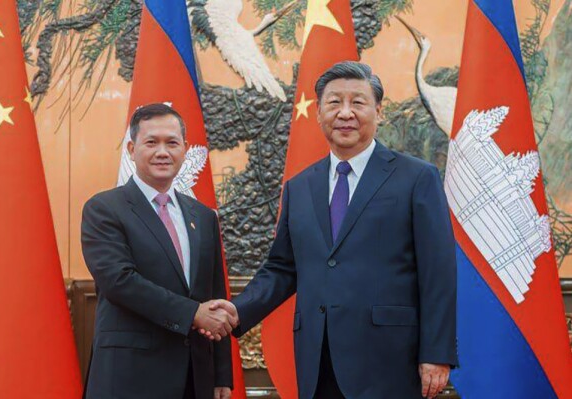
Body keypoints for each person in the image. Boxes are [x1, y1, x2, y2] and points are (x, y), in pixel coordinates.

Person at [208, 61, 458, 399]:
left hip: (390, 359)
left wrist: (436, 353)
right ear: (319, 113)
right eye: (334, 102)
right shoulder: (299, 186)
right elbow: (283, 267)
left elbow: (438, 271)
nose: (345, 113)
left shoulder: (416, 178)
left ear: (378, 111)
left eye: (357, 102)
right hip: (318, 357)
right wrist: (240, 309)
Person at [81, 103, 237, 399]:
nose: (162, 152)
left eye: (172, 143)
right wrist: (193, 314)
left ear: (185, 149)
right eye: (151, 142)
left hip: (195, 376)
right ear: (131, 147)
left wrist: (221, 374)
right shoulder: (104, 209)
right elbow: (120, 282)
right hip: (130, 375)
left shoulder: (203, 216)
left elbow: (215, 294)